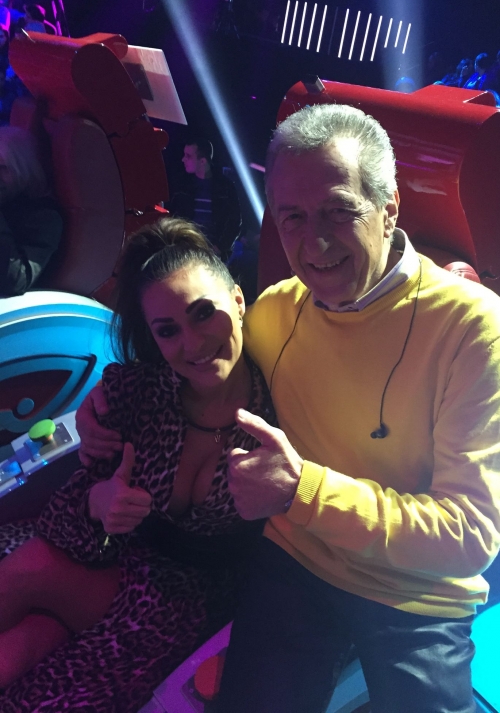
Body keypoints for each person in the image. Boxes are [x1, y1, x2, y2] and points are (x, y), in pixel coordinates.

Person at [77, 104, 500, 713]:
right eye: (292, 217)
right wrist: (101, 407)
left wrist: (302, 491)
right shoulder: (277, 310)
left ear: (390, 208)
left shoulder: (473, 327)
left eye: (338, 211)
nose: (314, 243)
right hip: (299, 561)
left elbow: (469, 536)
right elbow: (193, 358)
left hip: (418, 592)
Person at [0, 217, 275, 712]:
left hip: (187, 611)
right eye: (168, 331)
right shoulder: (137, 394)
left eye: (204, 313)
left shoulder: (282, 410)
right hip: (114, 568)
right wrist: (98, 501)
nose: (192, 344)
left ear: (238, 300)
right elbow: (60, 525)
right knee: (23, 632)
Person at [0, 125, 62, 296]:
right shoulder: (6, 201)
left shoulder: (44, 217)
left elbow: (15, 280)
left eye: (3, 168)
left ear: (24, 167)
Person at [169, 136, 241, 261]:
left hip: (213, 254)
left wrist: (219, 247)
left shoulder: (225, 187)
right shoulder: (181, 185)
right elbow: (172, 216)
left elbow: (235, 220)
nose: (183, 159)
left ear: (202, 161)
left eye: (188, 156)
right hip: (185, 251)